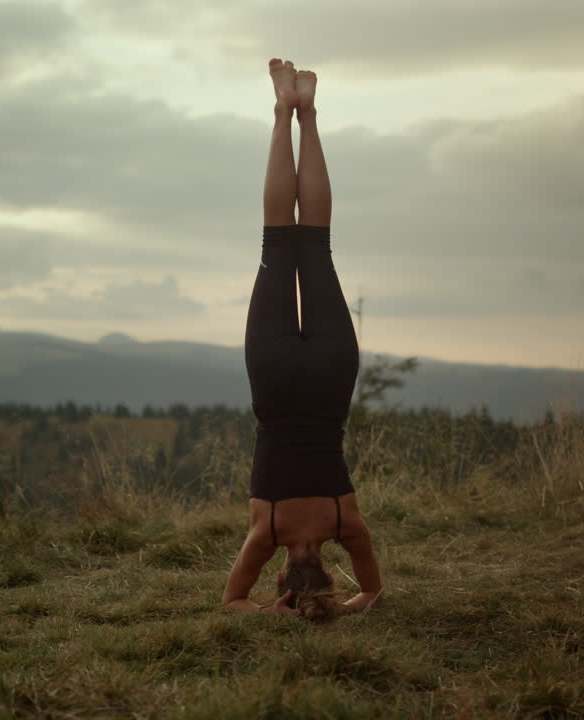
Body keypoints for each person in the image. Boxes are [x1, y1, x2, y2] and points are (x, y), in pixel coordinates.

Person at [221, 58, 383, 621]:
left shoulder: (346, 522)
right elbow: (233, 601)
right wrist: (276, 613)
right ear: (282, 578)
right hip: (272, 375)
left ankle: (307, 113)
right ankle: (282, 111)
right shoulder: (267, 531)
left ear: (329, 576)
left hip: (332, 374)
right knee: (277, 242)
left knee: (315, 243)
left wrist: (344, 606)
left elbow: (372, 594)